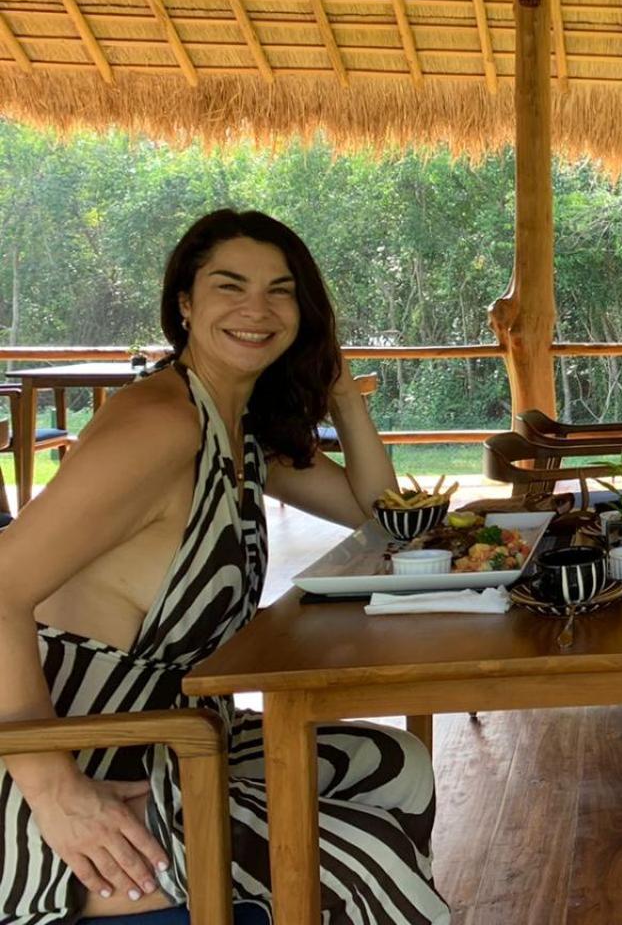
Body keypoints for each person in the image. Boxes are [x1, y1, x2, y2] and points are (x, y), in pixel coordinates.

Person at [0, 210, 450, 925]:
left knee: (398, 764)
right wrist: (56, 791)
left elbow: (378, 517)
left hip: (179, 740)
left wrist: (341, 391)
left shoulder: (234, 428)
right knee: (370, 859)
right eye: (230, 286)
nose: (257, 309)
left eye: (281, 291)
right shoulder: (161, 425)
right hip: (77, 772)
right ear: (185, 302)